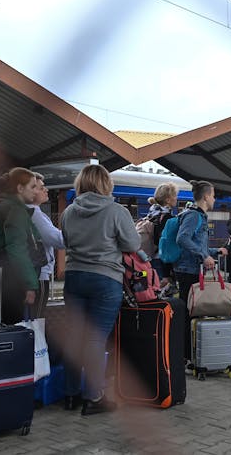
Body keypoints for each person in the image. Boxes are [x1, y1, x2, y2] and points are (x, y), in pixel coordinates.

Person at [60, 164, 141, 415]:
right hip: (105, 279)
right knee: (95, 338)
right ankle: (94, 397)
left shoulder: (69, 211)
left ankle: (70, 394)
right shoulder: (116, 211)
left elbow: (65, 240)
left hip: (73, 277)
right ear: (106, 184)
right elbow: (132, 243)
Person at [173, 180, 228, 363]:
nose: (214, 199)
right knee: (190, 312)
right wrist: (203, 256)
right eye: (212, 195)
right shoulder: (194, 216)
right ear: (205, 196)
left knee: (192, 312)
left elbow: (197, 243)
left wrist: (214, 252)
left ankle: (189, 354)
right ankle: (184, 355)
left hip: (191, 268)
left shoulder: (198, 216)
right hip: (188, 270)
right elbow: (183, 239)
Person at [0, 167, 41, 325]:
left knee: (10, 324)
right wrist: (30, 284)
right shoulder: (16, 211)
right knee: (16, 327)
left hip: (8, 276)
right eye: (33, 187)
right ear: (20, 188)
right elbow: (17, 250)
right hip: (14, 279)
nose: (36, 192)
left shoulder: (7, 207)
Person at [27, 172, 65, 318]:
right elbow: (56, 239)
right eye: (41, 187)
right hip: (38, 274)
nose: (46, 190)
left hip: (30, 273)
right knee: (37, 318)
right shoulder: (35, 214)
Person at [146, 182, 179, 287]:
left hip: (150, 259)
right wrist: (166, 274)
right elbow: (165, 245)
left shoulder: (152, 214)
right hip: (162, 263)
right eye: (175, 196)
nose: (176, 199)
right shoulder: (168, 218)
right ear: (168, 200)